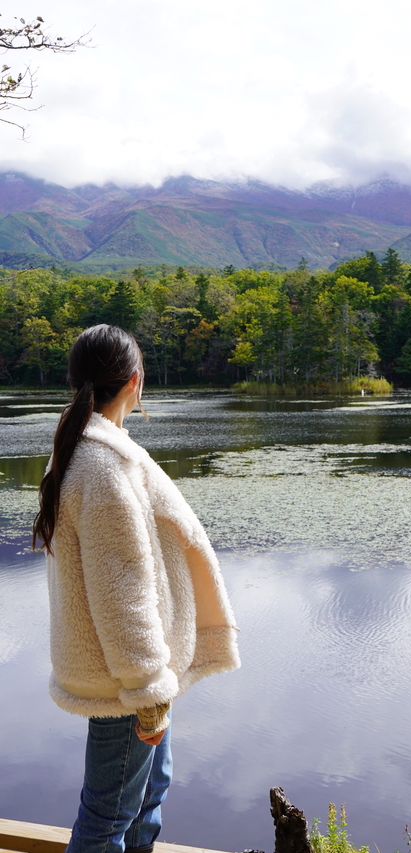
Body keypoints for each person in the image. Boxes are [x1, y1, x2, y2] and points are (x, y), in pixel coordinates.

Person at [32, 323, 241, 853]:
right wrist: (148, 693)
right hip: (126, 681)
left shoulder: (89, 450)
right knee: (107, 819)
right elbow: (121, 593)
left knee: (149, 795)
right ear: (135, 381)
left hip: (130, 672)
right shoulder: (103, 466)